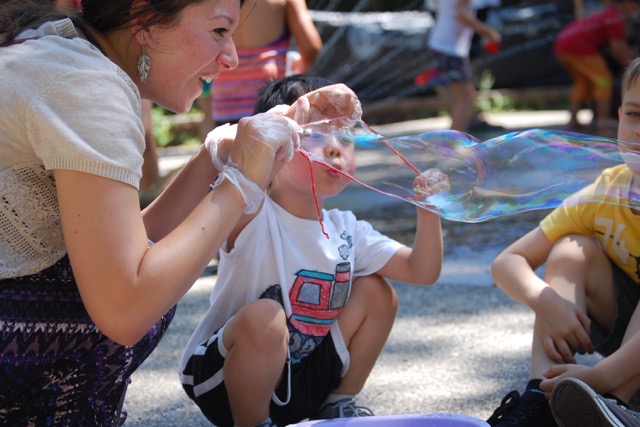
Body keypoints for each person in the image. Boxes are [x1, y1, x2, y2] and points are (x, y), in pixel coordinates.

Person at [0, 0, 361, 424]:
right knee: (153, 294)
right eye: (219, 31)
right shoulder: (86, 87)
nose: (232, 57)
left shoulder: (63, 54)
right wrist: (241, 179)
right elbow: (125, 306)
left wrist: (223, 150)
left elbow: (125, 244)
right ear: (145, 18)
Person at [179, 74, 446, 427]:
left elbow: (421, 271)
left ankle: (336, 405)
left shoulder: (346, 228)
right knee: (266, 318)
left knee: (377, 292)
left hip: (300, 380)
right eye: (316, 134)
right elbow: (244, 148)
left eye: (345, 136)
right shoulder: (252, 211)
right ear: (277, 145)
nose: (335, 147)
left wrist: (428, 210)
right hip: (223, 379)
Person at [486, 57, 640, 427]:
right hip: (623, 341)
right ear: (618, 116)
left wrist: (598, 378)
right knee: (571, 249)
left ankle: (611, 402)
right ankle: (541, 396)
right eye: (635, 114)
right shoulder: (608, 190)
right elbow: (508, 262)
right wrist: (547, 301)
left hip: (621, 372)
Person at [198, 0, 323, 138]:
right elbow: (311, 46)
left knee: (226, 151)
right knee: (269, 154)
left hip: (224, 89)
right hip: (267, 91)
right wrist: (301, 67)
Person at [554, 0, 639, 134]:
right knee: (603, 79)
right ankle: (603, 120)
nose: (635, 9)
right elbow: (618, 51)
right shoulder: (615, 20)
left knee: (583, 83)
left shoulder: (609, 14)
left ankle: (572, 121)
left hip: (562, 45)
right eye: (634, 5)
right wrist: (634, 68)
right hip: (579, 47)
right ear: (626, 4)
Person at [425, 0, 501, 133]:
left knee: (463, 95)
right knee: (465, 97)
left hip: (440, 44)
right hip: (451, 49)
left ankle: (455, 136)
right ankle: (456, 142)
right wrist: (489, 33)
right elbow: (461, 15)